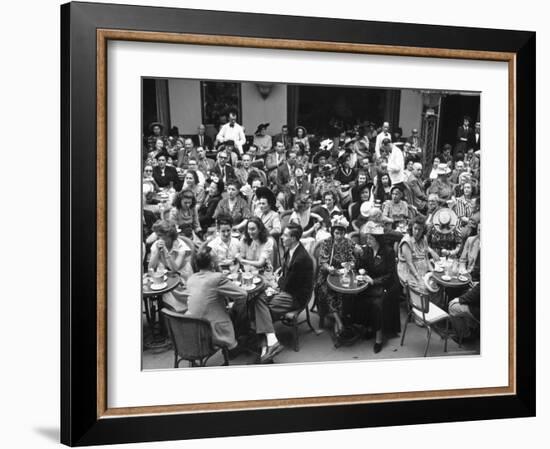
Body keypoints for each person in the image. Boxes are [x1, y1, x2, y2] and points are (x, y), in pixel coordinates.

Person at [243, 223, 315, 363]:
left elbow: (288, 285)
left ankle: (265, 346)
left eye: (285, 235)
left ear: (293, 238)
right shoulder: (291, 249)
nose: (282, 237)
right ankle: (270, 344)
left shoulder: (301, 259)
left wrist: (273, 281)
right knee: (257, 302)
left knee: (256, 304)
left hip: (295, 297)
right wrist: (279, 272)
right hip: (287, 290)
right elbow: (286, 269)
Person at [344, 221, 401, 353]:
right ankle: (369, 327)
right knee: (359, 298)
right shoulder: (367, 250)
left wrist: (374, 281)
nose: (367, 240)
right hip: (370, 284)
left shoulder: (388, 252)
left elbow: (390, 275)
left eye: (370, 238)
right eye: (367, 237)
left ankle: (379, 338)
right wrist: (355, 262)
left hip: (387, 285)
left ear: (378, 239)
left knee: (377, 304)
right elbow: (361, 265)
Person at [186, 245, 247, 352]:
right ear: (212, 263)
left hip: (194, 326)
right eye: (216, 258)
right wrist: (218, 271)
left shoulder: (191, 279)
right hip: (213, 329)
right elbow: (242, 294)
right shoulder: (217, 277)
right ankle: (235, 343)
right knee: (242, 304)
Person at [314, 215, 357, 338]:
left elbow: (352, 259)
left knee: (345, 291)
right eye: (337, 233)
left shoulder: (348, 243)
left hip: (343, 274)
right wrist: (329, 268)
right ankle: (339, 323)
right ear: (333, 232)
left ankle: (339, 321)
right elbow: (322, 262)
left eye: (342, 233)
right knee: (328, 291)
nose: (339, 236)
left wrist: (350, 265)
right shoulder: (327, 243)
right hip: (327, 275)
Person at [148, 220, 193, 310]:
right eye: (157, 235)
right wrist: (157, 251)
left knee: (182, 302)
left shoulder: (181, 246)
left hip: (182, 275)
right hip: (166, 276)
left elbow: (175, 268)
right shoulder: (156, 244)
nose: (157, 238)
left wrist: (165, 251)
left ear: (169, 235)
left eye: (160, 235)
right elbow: (151, 268)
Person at [397, 215, 439, 292]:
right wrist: (419, 278)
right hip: (409, 272)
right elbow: (409, 263)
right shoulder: (406, 241)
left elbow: (426, 258)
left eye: (420, 229)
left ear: (423, 230)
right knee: (423, 289)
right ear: (411, 228)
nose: (417, 232)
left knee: (437, 285)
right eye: (415, 228)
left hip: (422, 271)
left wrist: (432, 271)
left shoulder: (424, 239)